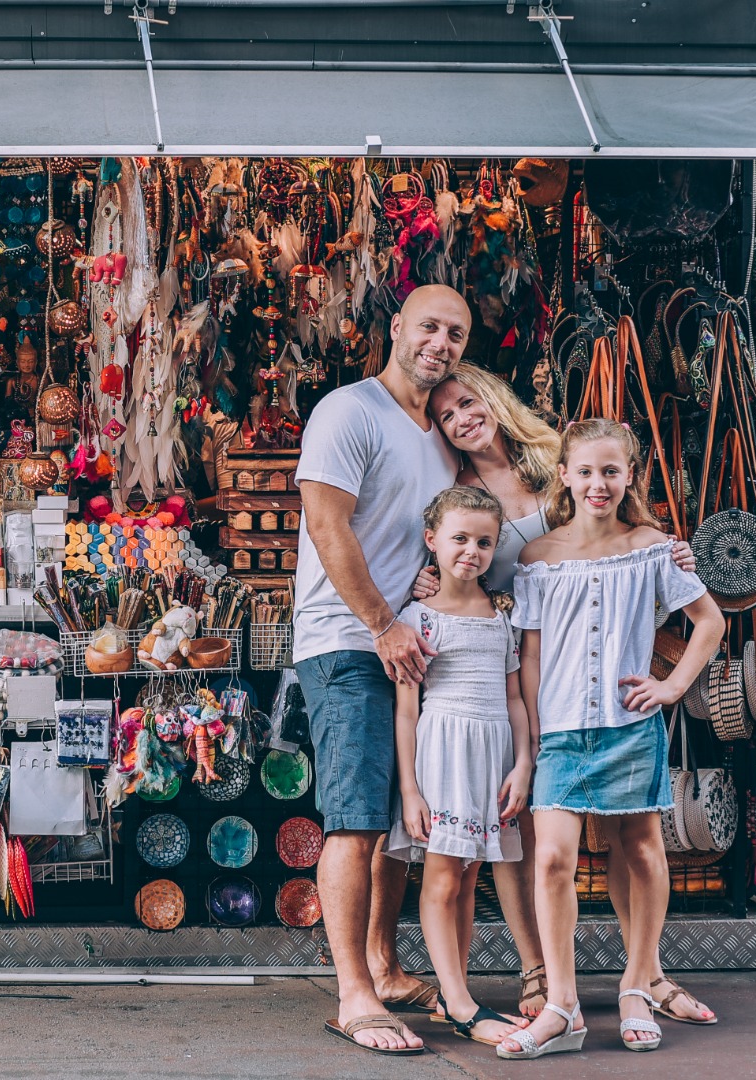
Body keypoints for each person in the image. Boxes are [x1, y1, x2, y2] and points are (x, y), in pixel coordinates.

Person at [418, 365, 710, 1023]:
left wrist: (671, 560)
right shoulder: (459, 490)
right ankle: (546, 981)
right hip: (528, 698)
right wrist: (422, 585)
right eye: (445, 415)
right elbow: (460, 557)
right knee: (528, 845)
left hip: (607, 700)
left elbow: (626, 522)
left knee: (629, 844)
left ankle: (644, 977)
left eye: (468, 402)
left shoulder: (553, 455)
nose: (461, 418)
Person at [497, 419, 724, 1060]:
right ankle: (563, 1006)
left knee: (645, 850)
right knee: (550, 857)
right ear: (564, 475)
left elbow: (706, 622)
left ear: (629, 477)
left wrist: (671, 686)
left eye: (611, 471)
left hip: (630, 726)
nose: (598, 483)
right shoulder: (537, 559)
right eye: (587, 471)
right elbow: (532, 652)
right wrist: (537, 732)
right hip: (563, 732)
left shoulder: (651, 547)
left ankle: (635, 986)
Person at [294, 283, 468, 1055]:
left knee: (400, 827)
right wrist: (382, 621)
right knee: (356, 820)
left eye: (456, 335)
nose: (440, 342)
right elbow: (326, 525)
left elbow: (422, 540)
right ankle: (353, 994)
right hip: (348, 642)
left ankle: (386, 966)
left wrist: (424, 590)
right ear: (395, 328)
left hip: (405, 641)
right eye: (428, 326)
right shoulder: (347, 410)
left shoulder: (436, 437)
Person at [385, 486, 531, 1047]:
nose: (471, 550)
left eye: (484, 541)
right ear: (433, 542)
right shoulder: (418, 618)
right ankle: (463, 1004)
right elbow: (406, 712)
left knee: (470, 876)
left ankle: (453, 993)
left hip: (491, 756)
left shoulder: (502, 616)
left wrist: (522, 764)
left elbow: (515, 699)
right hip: (443, 752)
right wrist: (412, 790)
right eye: (460, 539)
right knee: (443, 876)